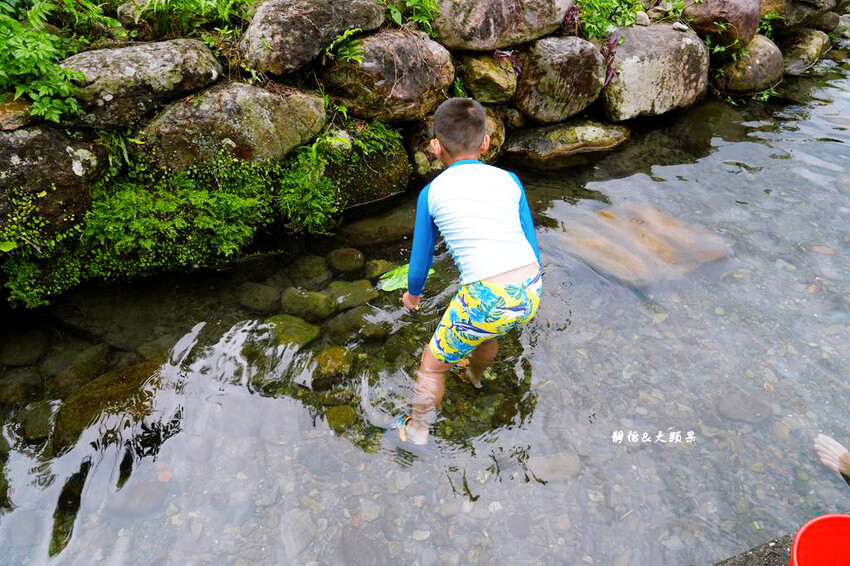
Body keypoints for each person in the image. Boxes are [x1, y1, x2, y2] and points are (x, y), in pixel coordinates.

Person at [394, 98, 542, 445]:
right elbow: (530, 241)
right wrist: (532, 284)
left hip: (486, 296)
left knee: (431, 365)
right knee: (488, 332)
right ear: (486, 142)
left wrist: (413, 295)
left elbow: (421, 258)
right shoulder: (509, 179)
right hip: (529, 287)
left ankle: (417, 428)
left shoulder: (431, 193)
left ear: (434, 147)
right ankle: (475, 375)